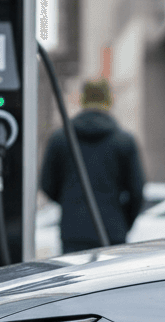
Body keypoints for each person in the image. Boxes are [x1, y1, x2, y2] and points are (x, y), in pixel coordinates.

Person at [40, 79, 145, 250]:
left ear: (82, 100)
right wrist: (121, 220)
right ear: (109, 101)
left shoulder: (60, 139)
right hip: (112, 231)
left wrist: (71, 203)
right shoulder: (124, 141)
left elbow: (47, 184)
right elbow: (137, 191)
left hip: (73, 231)